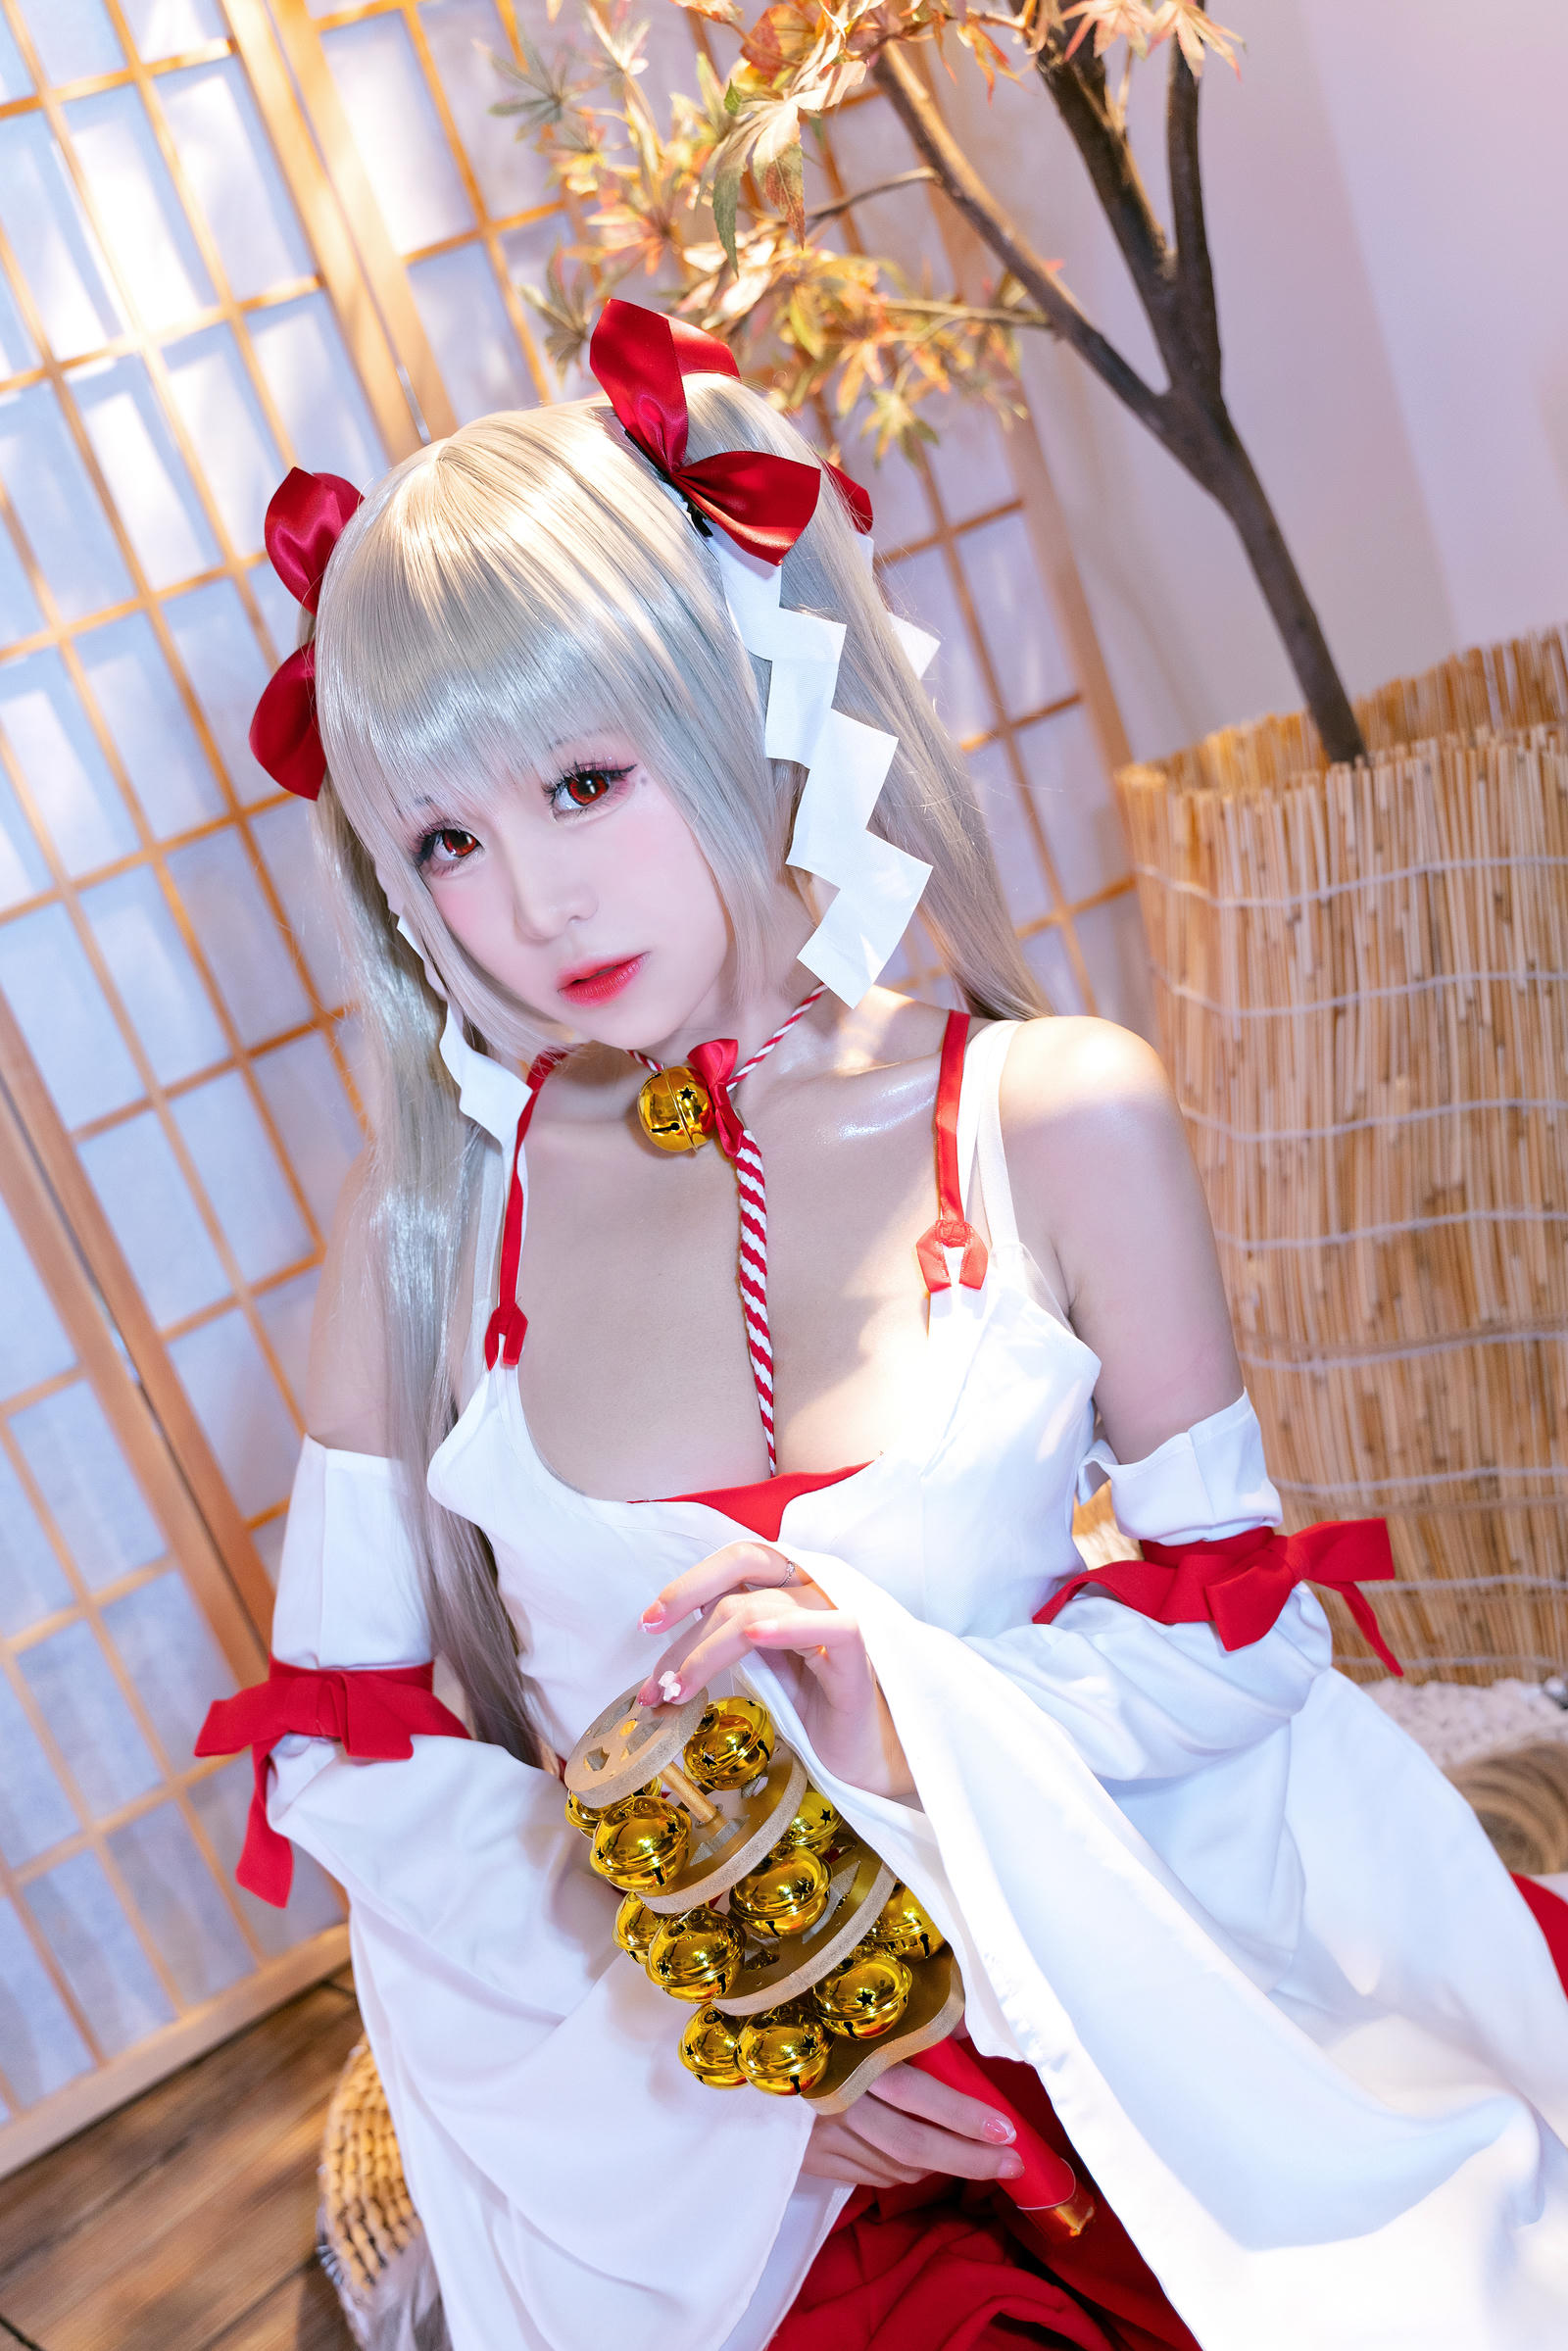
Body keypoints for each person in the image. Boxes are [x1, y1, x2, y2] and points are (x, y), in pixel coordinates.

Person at [201, 302, 1568, 2351]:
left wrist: (912, 1710)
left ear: (737, 703)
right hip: (740, 2155)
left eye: (585, 780)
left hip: (1128, 1992)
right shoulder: (431, 1227)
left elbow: (1238, 1641)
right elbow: (365, 1776)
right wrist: (735, 2077)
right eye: (448, 843)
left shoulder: (1050, 1113)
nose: (537, 907)